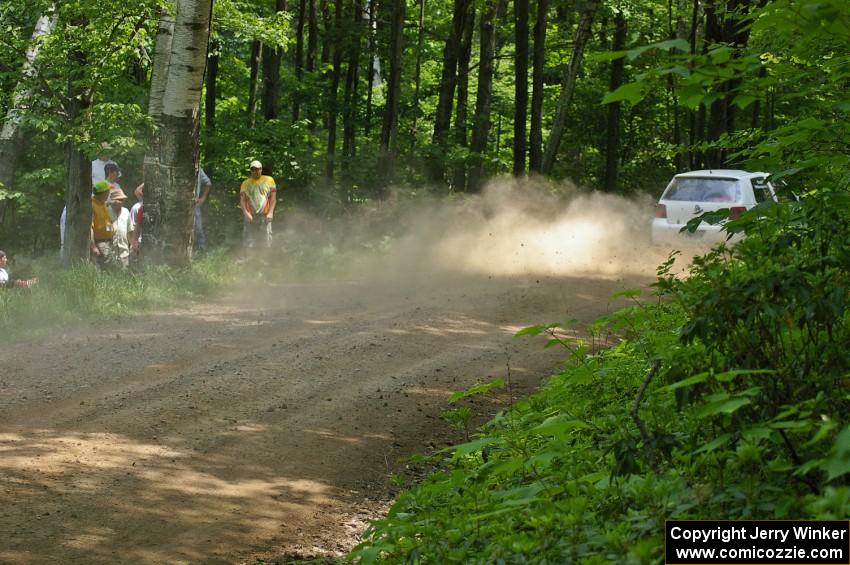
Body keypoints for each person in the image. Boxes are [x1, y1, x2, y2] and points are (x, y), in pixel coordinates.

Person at [239, 160, 276, 248]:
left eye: (258, 169)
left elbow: (273, 199)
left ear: (261, 169)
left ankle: (265, 259)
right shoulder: (245, 183)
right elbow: (242, 200)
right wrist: (246, 213)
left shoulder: (269, 180)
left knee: (266, 240)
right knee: (249, 240)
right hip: (250, 215)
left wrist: (271, 212)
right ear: (250, 170)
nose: (256, 171)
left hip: (265, 215)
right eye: (253, 169)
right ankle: (249, 259)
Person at [106, 187, 135, 269]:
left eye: (122, 200)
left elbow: (130, 231)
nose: (120, 202)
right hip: (109, 253)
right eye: (118, 200)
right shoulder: (106, 211)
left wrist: (132, 246)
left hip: (124, 254)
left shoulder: (126, 212)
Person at [90, 180, 113, 269]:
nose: (109, 193)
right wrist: (93, 246)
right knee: (107, 267)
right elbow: (90, 228)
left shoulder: (103, 203)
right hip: (100, 242)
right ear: (101, 193)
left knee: (109, 266)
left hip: (108, 241)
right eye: (107, 191)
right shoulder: (91, 205)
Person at [195, 167, 211, 252]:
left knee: (198, 228)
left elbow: (208, 183)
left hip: (194, 204)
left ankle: (201, 251)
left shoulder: (199, 169)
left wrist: (203, 198)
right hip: (180, 203)